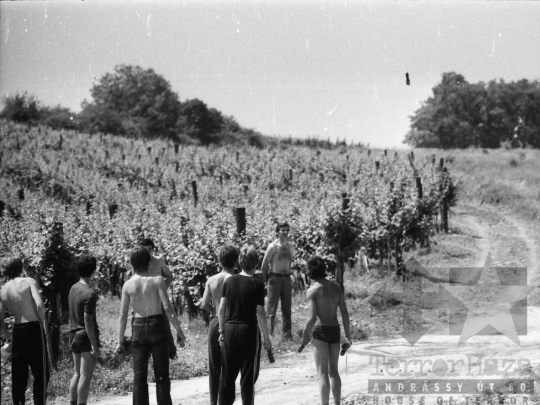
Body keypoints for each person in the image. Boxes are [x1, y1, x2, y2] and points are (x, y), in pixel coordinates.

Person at [117, 246, 186, 405]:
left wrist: (120, 341)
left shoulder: (128, 285)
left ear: (132, 263)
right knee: (162, 375)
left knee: (139, 376)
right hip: (157, 326)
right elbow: (167, 307)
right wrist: (179, 331)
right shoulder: (157, 280)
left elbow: (122, 315)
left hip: (138, 328)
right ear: (149, 262)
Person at [218, 245, 272, 405]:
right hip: (248, 329)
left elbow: (221, 309)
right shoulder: (257, 283)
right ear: (256, 264)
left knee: (227, 374)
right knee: (248, 374)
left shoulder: (229, 281)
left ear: (239, 262)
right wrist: (266, 337)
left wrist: (221, 331)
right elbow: (261, 313)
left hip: (229, 328)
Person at [298, 256, 352, 405]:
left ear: (310, 271)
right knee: (334, 371)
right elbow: (345, 312)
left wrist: (305, 337)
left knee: (322, 373)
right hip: (335, 330)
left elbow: (312, 318)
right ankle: (337, 403)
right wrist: (348, 336)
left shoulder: (312, 291)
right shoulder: (336, 287)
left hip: (320, 331)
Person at [0, 257, 50, 405]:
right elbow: (40, 305)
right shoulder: (29, 282)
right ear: (20, 267)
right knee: (41, 373)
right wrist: (43, 325)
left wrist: (8, 337)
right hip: (33, 327)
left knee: (19, 375)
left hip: (18, 331)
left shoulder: (3, 290)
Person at [200, 244, 239, 405]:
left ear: (220, 261)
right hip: (231, 322)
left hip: (216, 322)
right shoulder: (237, 279)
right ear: (236, 261)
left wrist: (215, 311)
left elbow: (204, 304)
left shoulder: (211, 280)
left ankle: (213, 402)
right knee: (230, 366)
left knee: (214, 366)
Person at [68, 255, 101, 405]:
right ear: (93, 272)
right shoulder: (90, 293)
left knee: (77, 373)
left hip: (73, 334)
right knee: (86, 375)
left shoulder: (73, 288)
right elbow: (88, 321)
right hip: (84, 336)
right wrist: (94, 345)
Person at [139, 238, 177, 359]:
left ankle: (171, 353)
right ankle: (147, 355)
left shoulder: (158, 261)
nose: (148, 252)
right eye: (145, 250)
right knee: (143, 326)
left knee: (165, 325)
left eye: (150, 249)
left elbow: (169, 276)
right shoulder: (138, 263)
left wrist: (162, 290)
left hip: (159, 300)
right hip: (143, 301)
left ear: (153, 249)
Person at [261, 222, 295, 339]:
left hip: (286, 279)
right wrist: (266, 280)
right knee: (271, 308)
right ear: (277, 232)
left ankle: (287, 334)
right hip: (275, 278)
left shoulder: (290, 246)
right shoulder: (273, 247)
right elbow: (264, 264)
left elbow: (291, 262)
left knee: (287, 307)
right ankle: (270, 334)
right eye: (283, 230)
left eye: (287, 230)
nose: (285, 232)